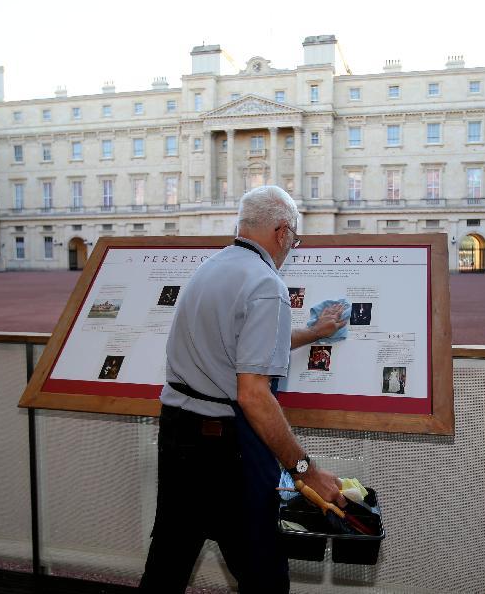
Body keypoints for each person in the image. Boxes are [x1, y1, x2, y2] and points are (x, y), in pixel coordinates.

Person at [139, 186, 347, 593]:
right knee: (264, 576)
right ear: (283, 232)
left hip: (178, 432)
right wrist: (306, 471)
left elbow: (243, 346)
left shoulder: (210, 268)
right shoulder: (267, 284)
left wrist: (314, 332)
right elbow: (253, 393)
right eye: (295, 240)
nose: (292, 248)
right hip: (225, 448)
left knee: (167, 565)